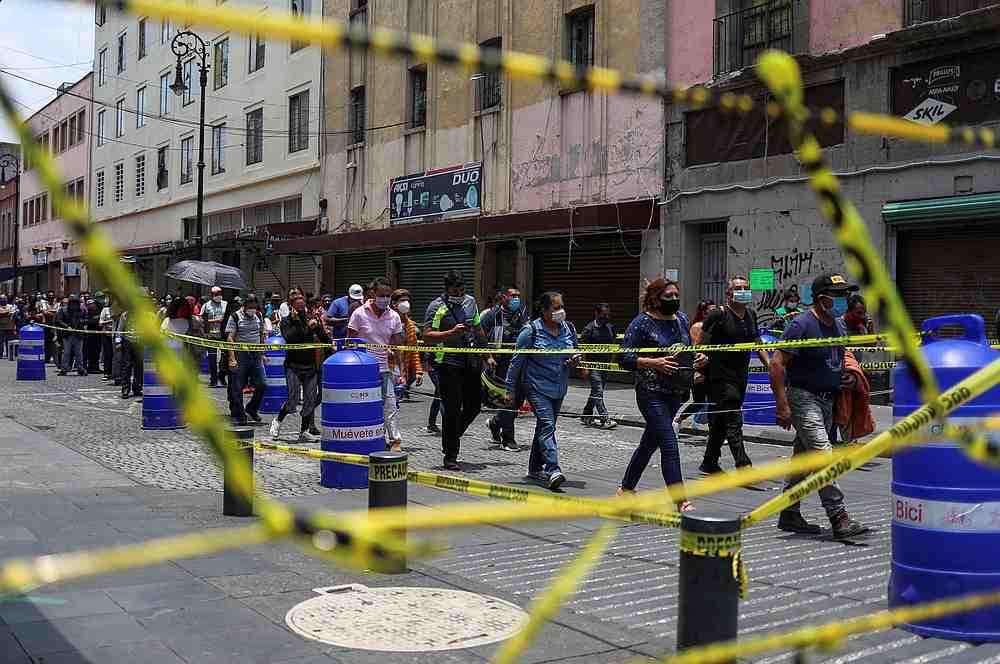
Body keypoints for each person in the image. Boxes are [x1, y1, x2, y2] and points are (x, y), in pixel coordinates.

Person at [769, 273, 870, 539]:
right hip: (804, 397)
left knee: (804, 460)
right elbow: (777, 363)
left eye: (844, 295)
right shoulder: (801, 324)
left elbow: (839, 356)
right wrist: (782, 405)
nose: (842, 300)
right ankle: (839, 517)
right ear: (821, 297)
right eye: (837, 295)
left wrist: (847, 375)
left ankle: (789, 513)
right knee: (824, 456)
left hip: (828, 399)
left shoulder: (837, 325)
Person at [617, 279, 704, 509]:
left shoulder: (682, 320)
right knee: (669, 442)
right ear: (655, 299)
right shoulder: (642, 323)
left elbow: (685, 351)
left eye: (677, 295)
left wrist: (698, 358)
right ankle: (681, 500)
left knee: (649, 444)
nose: (674, 299)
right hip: (650, 392)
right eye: (669, 296)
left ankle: (625, 489)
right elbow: (623, 357)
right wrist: (653, 362)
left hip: (675, 392)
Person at [505, 292, 580, 490]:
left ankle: (534, 468)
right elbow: (516, 362)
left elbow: (575, 351)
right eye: (556, 308)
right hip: (536, 386)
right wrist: (510, 389)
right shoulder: (531, 331)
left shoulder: (568, 328)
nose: (560, 311)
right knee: (547, 425)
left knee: (544, 427)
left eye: (561, 306)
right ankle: (552, 469)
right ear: (545, 311)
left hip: (559, 387)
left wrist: (574, 360)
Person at [698, 276, 768, 474]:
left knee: (722, 419)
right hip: (720, 377)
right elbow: (701, 345)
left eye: (746, 287)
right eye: (739, 288)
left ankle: (709, 462)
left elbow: (758, 344)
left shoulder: (751, 315)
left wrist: (770, 366)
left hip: (740, 375)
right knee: (734, 419)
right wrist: (701, 359)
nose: (743, 290)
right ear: (728, 293)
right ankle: (743, 465)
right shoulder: (717, 315)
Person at [424, 270, 485, 470]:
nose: (459, 293)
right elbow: (428, 336)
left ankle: (452, 433)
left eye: (462, 289)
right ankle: (450, 455)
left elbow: (478, 328)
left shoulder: (470, 302)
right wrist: (450, 333)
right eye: (455, 290)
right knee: (451, 408)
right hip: (447, 362)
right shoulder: (437, 306)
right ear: (447, 288)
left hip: (470, 360)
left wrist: (488, 354)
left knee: (475, 404)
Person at [348, 277, 406, 452]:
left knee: (390, 405)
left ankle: (395, 440)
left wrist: (401, 371)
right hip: (362, 370)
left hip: (383, 369)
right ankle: (365, 435)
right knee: (365, 405)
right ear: (373, 293)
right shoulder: (359, 313)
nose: (385, 299)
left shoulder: (394, 316)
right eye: (382, 295)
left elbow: (397, 346)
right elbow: (350, 341)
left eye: (388, 296)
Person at [271, 292, 329, 442]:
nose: (301, 307)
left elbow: (323, 338)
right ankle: (278, 420)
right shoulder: (286, 321)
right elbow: (290, 338)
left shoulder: (311, 319)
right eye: (297, 304)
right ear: (292, 306)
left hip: (310, 365)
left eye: (303, 304)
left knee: (310, 399)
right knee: (293, 398)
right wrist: (300, 324)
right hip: (293, 365)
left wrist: (320, 329)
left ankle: (304, 431)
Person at [481, 287, 528, 451]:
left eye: (518, 296)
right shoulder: (491, 316)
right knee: (509, 400)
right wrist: (488, 357)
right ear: (503, 298)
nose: (516, 299)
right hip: (501, 364)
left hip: (519, 362)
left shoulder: (521, 315)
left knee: (519, 400)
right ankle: (508, 438)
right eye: (513, 296)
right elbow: (480, 338)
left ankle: (495, 423)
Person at [675, 299, 717, 426]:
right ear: (704, 313)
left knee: (709, 400)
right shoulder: (698, 326)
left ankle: (714, 431)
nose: (715, 313)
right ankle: (676, 420)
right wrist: (699, 366)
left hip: (711, 367)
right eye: (711, 311)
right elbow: (695, 348)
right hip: (701, 368)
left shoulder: (713, 326)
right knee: (701, 401)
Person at [226, 294, 267, 426]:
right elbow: (230, 338)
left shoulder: (259, 316)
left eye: (254, 307)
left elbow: (261, 335)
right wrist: (232, 358)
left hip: (256, 355)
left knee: (262, 383)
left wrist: (262, 353)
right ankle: (239, 413)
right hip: (240, 355)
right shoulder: (235, 316)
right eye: (249, 307)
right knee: (237, 387)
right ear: (244, 305)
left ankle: (252, 408)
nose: (252, 309)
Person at [579, 303, 617, 429]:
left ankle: (586, 414)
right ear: (596, 313)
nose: (606, 317)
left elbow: (613, 346)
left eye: (607, 314)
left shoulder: (610, 328)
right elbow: (583, 348)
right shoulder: (589, 329)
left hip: (605, 365)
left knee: (595, 392)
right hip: (593, 365)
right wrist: (584, 366)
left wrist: (611, 362)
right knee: (598, 391)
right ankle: (604, 418)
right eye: (603, 314)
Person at [390, 289, 423, 399]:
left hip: (401, 370)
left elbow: (414, 350)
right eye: (402, 300)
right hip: (387, 368)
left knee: (395, 404)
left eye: (407, 300)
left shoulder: (410, 326)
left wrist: (418, 371)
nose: (406, 303)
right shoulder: (387, 320)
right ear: (394, 303)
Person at [201, 286, 228, 388]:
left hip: (223, 335)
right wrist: (215, 321)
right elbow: (202, 320)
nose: (218, 296)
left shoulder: (225, 304)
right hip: (211, 335)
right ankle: (213, 379)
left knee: (225, 357)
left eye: (220, 293)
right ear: (212, 295)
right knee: (212, 358)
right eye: (216, 294)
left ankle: (222, 376)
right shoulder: (206, 306)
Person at [56, 294, 87, 376]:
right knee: (66, 352)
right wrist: (67, 326)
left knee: (79, 353)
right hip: (67, 334)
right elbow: (58, 320)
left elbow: (86, 319)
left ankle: (80, 368)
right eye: (73, 303)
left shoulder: (82, 310)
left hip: (78, 334)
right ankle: (64, 369)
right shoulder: (63, 310)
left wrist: (82, 322)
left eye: (76, 303)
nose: (75, 305)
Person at [98, 294, 115, 380]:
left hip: (115, 334)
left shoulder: (118, 310)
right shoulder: (105, 310)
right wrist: (110, 321)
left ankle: (115, 373)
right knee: (107, 354)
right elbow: (100, 322)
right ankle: (107, 373)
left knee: (115, 355)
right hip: (106, 334)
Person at [0, 294, 14, 359]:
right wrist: (7, 312)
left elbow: (13, 312)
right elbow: (1, 313)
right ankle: (0, 355)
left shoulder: (10, 305)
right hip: (1, 326)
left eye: (4, 298)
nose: (3, 299)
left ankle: (10, 355)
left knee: (9, 341)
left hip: (9, 326)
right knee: (1, 341)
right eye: (2, 298)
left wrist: (4, 312)